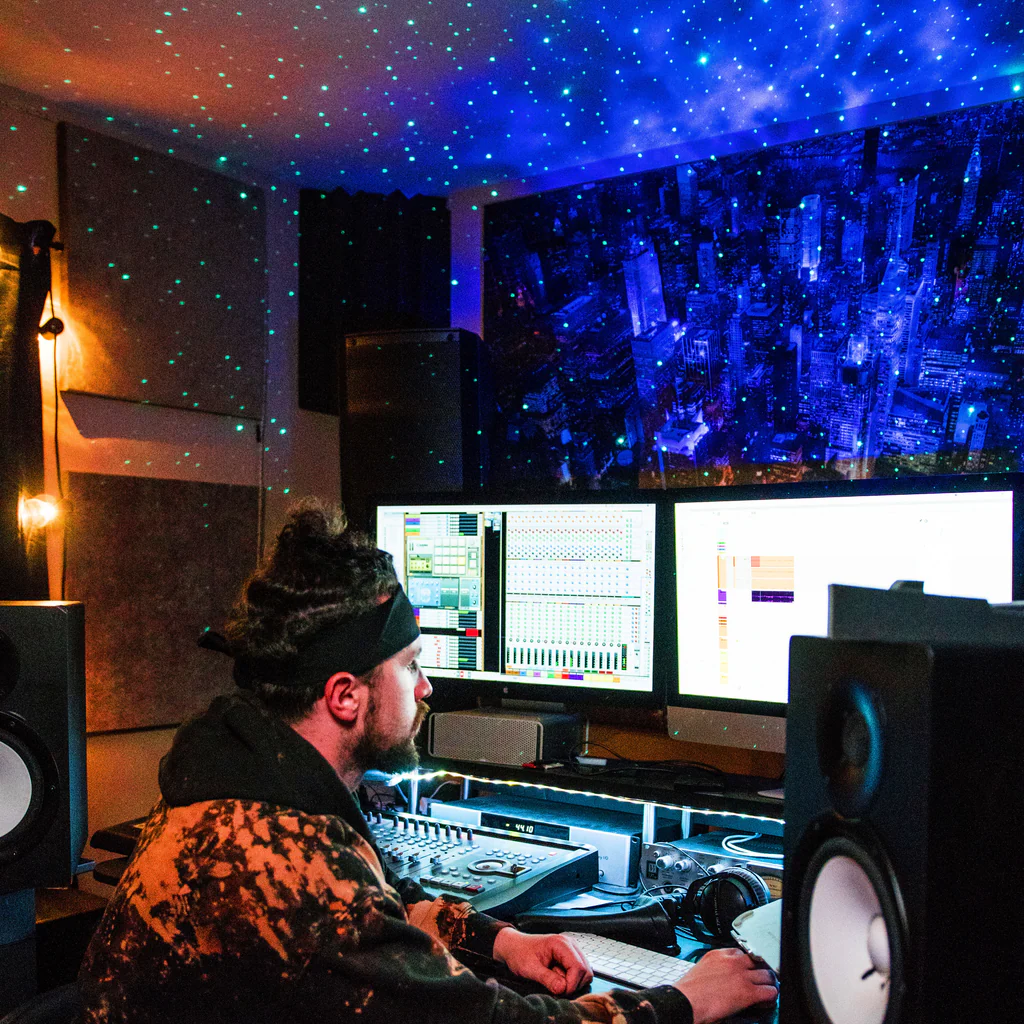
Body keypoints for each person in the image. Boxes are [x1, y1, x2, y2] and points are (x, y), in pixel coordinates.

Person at [78, 502, 777, 1024]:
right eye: (410, 665)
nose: (427, 688)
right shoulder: (286, 866)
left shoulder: (247, 783)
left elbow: (382, 905)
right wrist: (682, 1001)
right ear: (345, 696)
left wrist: (501, 941)